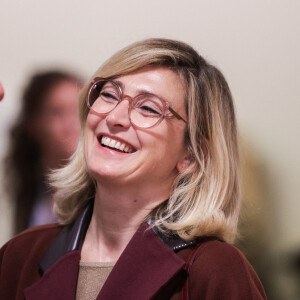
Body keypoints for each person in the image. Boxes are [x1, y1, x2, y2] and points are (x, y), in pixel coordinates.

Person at [0, 39, 267, 299]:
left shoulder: (215, 271)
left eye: (149, 108)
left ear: (192, 156)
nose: (114, 117)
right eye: (108, 94)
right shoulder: (19, 255)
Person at [4, 71, 82, 233]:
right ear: (33, 122)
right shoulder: (29, 187)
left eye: (79, 110)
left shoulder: (99, 192)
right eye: (57, 112)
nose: (72, 123)